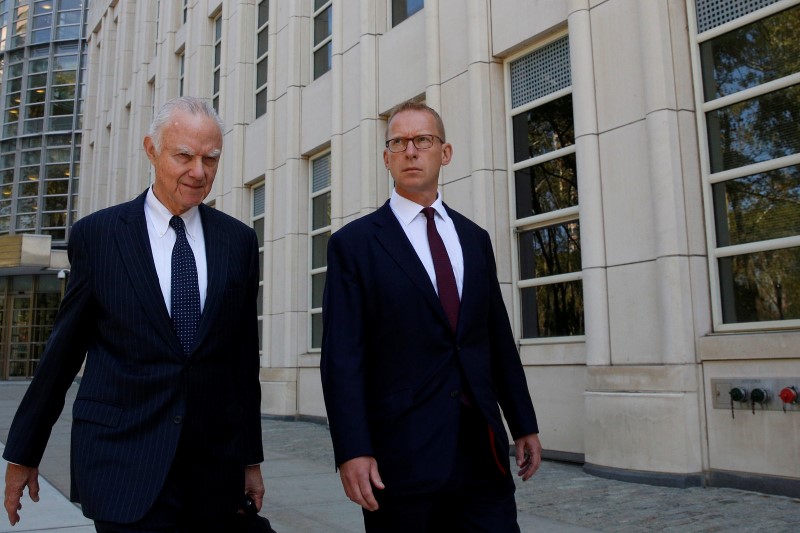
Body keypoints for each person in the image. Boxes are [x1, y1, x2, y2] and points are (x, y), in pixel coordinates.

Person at [3, 96, 266, 532]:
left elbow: (242, 363)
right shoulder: (99, 235)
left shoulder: (237, 242)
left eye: (210, 158)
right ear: (151, 150)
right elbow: (62, 355)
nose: (199, 172)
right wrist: (24, 453)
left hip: (212, 474)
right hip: (123, 464)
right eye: (184, 156)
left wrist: (250, 459)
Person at [320, 100, 542, 532]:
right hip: (401, 461)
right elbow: (342, 360)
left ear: (446, 152)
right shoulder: (354, 245)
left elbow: (495, 338)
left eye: (423, 139)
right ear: (386, 158)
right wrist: (352, 449)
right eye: (398, 142)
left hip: (483, 456)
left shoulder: (474, 239)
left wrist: (523, 423)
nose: (410, 150)